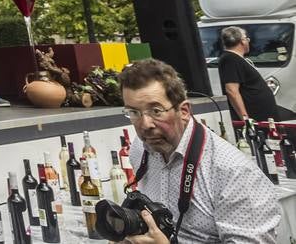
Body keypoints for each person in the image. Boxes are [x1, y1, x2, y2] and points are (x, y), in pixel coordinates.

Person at [120, 58, 280, 244]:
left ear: (184, 111)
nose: (145, 125)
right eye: (134, 113)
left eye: (156, 111)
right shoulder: (141, 148)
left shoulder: (232, 171)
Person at [218, 26, 295, 123]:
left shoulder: (235, 58)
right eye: (247, 38)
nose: (248, 41)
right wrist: (245, 119)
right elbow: (232, 91)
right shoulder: (230, 59)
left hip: (264, 116)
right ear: (242, 41)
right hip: (255, 118)